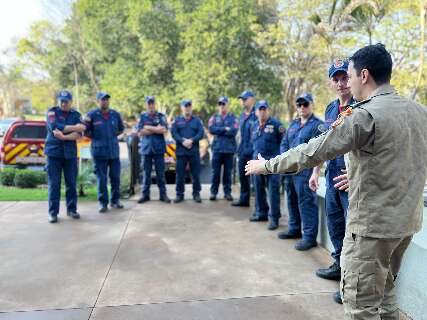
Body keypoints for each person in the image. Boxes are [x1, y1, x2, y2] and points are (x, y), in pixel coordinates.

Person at [245, 43, 427, 320]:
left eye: (350, 75)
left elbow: (313, 150)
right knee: (387, 296)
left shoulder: (364, 115)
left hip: (372, 229)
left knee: (361, 306)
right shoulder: (419, 112)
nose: (348, 83)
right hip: (405, 224)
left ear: (364, 76)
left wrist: (266, 165)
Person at [309, 59, 356, 302]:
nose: (341, 83)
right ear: (331, 82)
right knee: (335, 225)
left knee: (353, 234)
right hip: (331, 175)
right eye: (336, 79)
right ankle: (338, 267)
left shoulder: (362, 105)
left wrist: (357, 174)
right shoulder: (330, 109)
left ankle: (350, 284)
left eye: (344, 77)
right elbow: (324, 145)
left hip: (350, 179)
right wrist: (316, 172)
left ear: (353, 77)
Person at [278, 93, 324, 250]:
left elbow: (320, 151)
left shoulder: (318, 126)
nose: (302, 107)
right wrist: (285, 161)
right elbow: (284, 143)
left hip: (305, 171)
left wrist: (315, 172)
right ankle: (294, 229)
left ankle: (309, 237)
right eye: (299, 105)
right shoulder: (293, 124)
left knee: (306, 204)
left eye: (305, 104)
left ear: (311, 105)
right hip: (290, 170)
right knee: (291, 200)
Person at [44, 90, 86, 223]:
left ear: (71, 101)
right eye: (61, 100)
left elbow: (79, 134)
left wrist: (64, 136)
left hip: (70, 155)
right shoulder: (52, 112)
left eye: (66, 101)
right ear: (58, 101)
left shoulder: (76, 114)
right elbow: (54, 127)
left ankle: (72, 209)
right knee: (54, 184)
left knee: (71, 183)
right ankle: (53, 213)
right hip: (53, 154)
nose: (63, 103)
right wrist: (75, 127)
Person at [85, 92, 125, 213]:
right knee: (101, 179)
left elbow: (120, 129)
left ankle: (115, 200)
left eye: (107, 99)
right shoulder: (92, 115)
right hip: (99, 152)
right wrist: (98, 138)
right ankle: (103, 203)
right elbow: (86, 131)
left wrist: (111, 137)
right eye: (102, 99)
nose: (105, 101)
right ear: (98, 101)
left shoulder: (115, 114)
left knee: (115, 178)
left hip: (113, 151)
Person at [249, 100, 284, 230]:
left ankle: (274, 218)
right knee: (258, 189)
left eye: (264, 109)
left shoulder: (276, 125)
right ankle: (261, 213)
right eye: (260, 109)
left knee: (273, 191)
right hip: (257, 164)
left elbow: (283, 144)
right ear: (256, 111)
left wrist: (280, 162)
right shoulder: (253, 125)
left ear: (268, 110)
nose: (262, 112)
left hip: (272, 165)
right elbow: (252, 144)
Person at [137, 96, 171, 204]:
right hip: (146, 149)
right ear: (146, 104)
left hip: (159, 149)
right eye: (149, 103)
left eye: (152, 103)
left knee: (160, 173)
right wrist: (155, 129)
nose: (151, 105)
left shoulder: (161, 116)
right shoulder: (142, 116)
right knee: (146, 174)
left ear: (154, 104)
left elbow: (164, 129)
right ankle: (145, 195)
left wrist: (148, 127)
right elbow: (140, 132)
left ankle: (163, 195)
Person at [171, 99, 204, 203]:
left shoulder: (197, 121)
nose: (187, 108)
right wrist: (182, 141)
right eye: (185, 106)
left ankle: (196, 194)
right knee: (180, 174)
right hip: (181, 152)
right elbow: (174, 133)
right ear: (182, 108)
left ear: (191, 107)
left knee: (195, 174)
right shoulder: (177, 120)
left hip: (193, 151)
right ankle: (179, 195)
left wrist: (192, 140)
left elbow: (201, 133)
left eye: (189, 106)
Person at [208, 96, 238, 201]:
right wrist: (225, 129)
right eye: (220, 104)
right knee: (215, 173)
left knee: (227, 173)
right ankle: (213, 193)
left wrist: (219, 130)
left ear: (227, 105)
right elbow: (211, 129)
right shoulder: (214, 117)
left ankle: (227, 193)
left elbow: (234, 131)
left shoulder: (233, 118)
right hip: (217, 149)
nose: (222, 106)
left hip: (229, 150)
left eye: (223, 104)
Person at [232, 90, 257, 207]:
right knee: (242, 176)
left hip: (253, 151)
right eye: (241, 99)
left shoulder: (257, 113)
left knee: (256, 180)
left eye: (245, 99)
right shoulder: (242, 115)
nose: (242, 101)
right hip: (242, 151)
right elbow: (240, 134)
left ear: (251, 99)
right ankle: (244, 199)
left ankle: (259, 206)